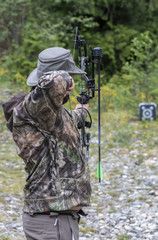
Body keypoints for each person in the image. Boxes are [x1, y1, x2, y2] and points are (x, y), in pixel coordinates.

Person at [2, 47, 92, 240]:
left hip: (58, 220)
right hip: (50, 222)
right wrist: (66, 78)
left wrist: (83, 109)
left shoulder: (50, 115)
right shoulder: (32, 110)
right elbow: (55, 81)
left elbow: (70, 120)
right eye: (69, 76)